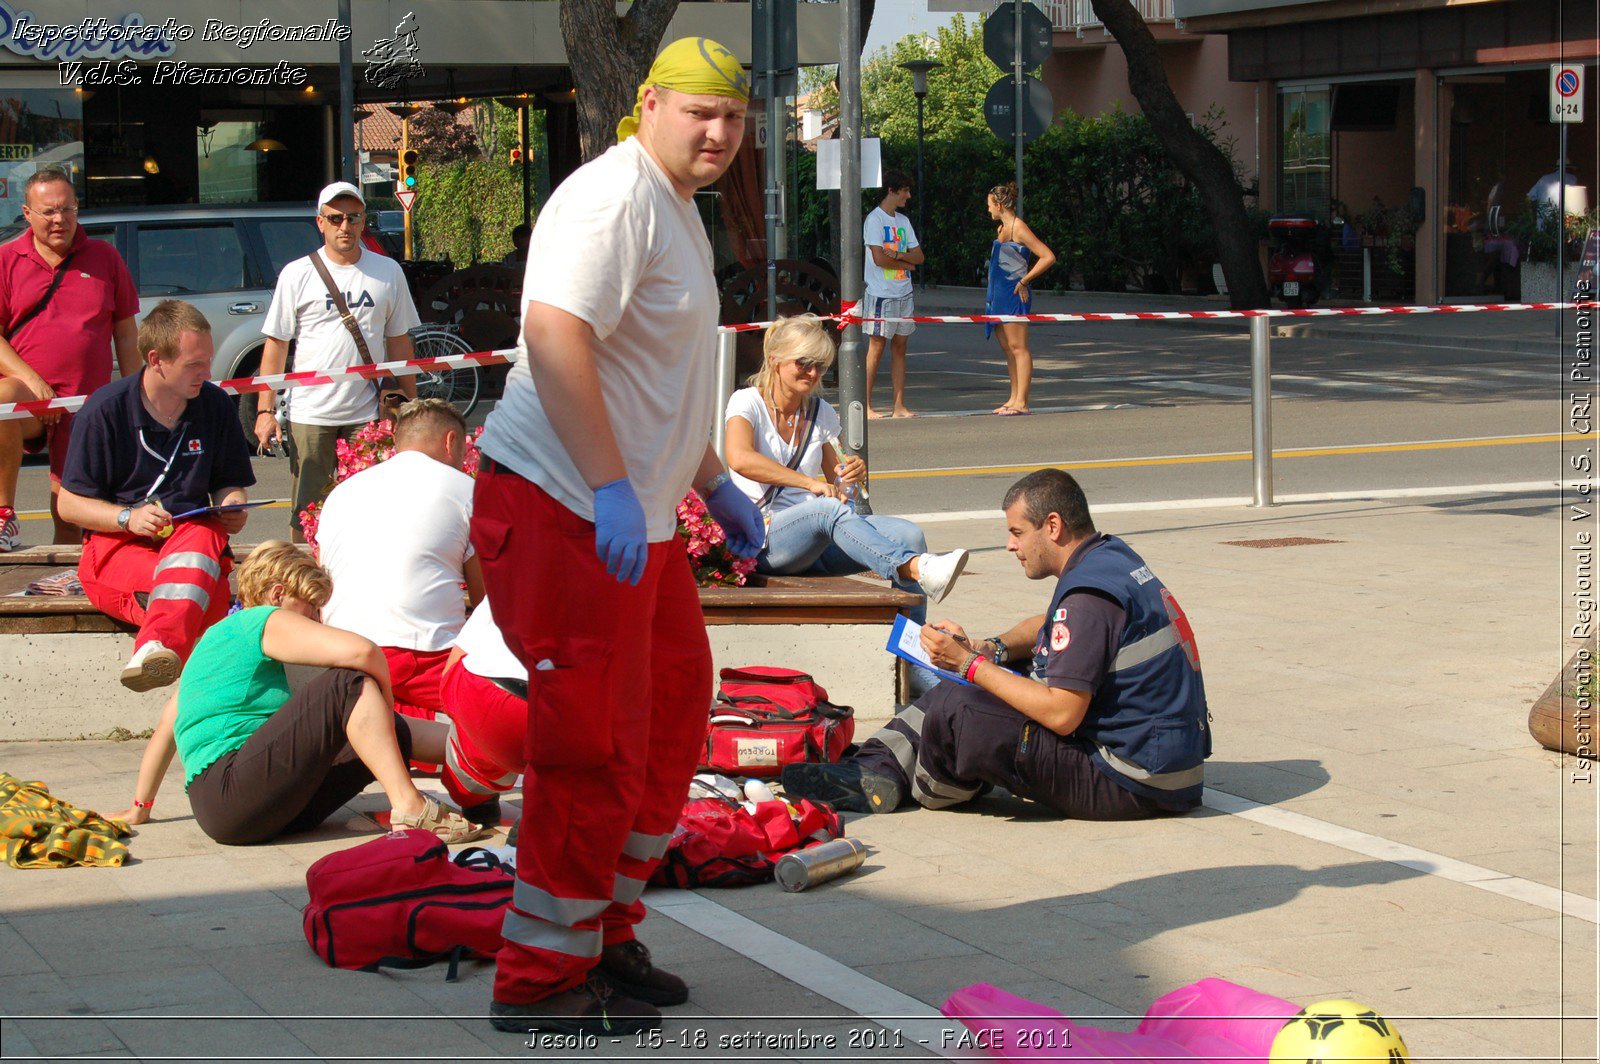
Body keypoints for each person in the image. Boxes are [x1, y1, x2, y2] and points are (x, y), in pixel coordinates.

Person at [471, 36, 764, 1036]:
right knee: (590, 744)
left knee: (673, 714)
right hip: (563, 502)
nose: (718, 132)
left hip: (631, 515)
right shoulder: (613, 197)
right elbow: (555, 334)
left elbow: (657, 382)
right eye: (699, 112)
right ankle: (540, 978)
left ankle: (603, 930)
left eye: (733, 116)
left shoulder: (676, 207)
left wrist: (713, 480)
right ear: (647, 104)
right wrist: (604, 482)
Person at [783, 468, 1211, 821]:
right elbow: (1047, 625)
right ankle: (871, 770)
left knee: (959, 706)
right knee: (972, 685)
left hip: (1132, 779)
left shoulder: (1087, 596)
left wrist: (969, 665)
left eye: (1017, 532)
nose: (1010, 545)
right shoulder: (1109, 558)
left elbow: (1062, 714)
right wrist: (991, 650)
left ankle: (911, 782)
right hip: (1162, 764)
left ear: (1054, 526)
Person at [110, 541, 485, 847]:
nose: (316, 621)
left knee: (389, 731)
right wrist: (383, 702)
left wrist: (141, 806)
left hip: (238, 810)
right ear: (278, 595)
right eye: (311, 609)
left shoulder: (212, 645)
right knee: (348, 684)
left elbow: (166, 729)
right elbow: (365, 652)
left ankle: (501, 754)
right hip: (234, 791)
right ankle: (411, 806)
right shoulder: (258, 619)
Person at [723, 314, 969, 653]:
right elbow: (739, 458)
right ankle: (914, 567)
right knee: (825, 510)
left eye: (821, 366)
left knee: (909, 534)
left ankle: (912, 652)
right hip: (763, 538)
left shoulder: (820, 411)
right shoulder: (746, 401)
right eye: (804, 363)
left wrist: (849, 477)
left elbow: (839, 490)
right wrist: (809, 484)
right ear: (775, 360)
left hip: (815, 538)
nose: (813, 373)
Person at [56, 300, 256, 692]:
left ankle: (153, 650)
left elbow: (231, 484)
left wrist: (233, 503)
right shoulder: (106, 409)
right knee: (205, 592)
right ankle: (193, 679)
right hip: (118, 545)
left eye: (208, 360)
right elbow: (68, 504)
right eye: (194, 364)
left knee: (202, 537)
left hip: (190, 538)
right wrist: (126, 518)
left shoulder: (214, 405)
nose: (208, 373)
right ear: (156, 360)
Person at [256, 181, 421, 540]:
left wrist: (412, 407)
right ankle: (307, 586)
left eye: (353, 218)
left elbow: (399, 344)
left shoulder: (388, 272)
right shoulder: (297, 273)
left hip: (366, 412)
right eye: (335, 219)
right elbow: (276, 346)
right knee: (308, 514)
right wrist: (265, 411)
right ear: (320, 223)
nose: (344, 226)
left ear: (364, 222)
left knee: (367, 510)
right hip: (310, 413)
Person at [315, 398, 483, 736]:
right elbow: (490, 605)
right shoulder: (468, 491)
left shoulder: (341, 493)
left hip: (343, 658)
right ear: (451, 441)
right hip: (422, 659)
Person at [0, 168, 140, 550]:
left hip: (84, 404)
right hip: (29, 398)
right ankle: (2, 517)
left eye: (67, 209)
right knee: (2, 398)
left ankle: (73, 579)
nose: (59, 219)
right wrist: (35, 385)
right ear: (27, 214)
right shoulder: (6, 259)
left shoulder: (105, 257)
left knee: (69, 509)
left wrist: (138, 394)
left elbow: (125, 334)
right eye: (48, 211)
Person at [437, 597, 527, 816]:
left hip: (485, 697)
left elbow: (454, 661)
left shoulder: (516, 564)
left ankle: (475, 792)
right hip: (571, 716)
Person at [984, 182, 1056, 417]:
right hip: (998, 294)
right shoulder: (1001, 228)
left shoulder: (1018, 228)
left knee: (1019, 347)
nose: (988, 211)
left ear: (998, 204)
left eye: (989, 206)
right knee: (1007, 348)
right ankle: (1013, 397)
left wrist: (1024, 280)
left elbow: (1047, 256)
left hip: (1014, 293)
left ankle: (1022, 401)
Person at [862, 170, 923, 419]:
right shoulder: (874, 220)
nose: (908, 195)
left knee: (900, 348)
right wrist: (907, 265)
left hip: (903, 293)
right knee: (876, 347)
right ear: (891, 190)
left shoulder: (903, 221)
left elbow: (919, 257)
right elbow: (878, 259)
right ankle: (865, 406)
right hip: (881, 295)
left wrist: (898, 256)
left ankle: (899, 405)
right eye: (904, 190)